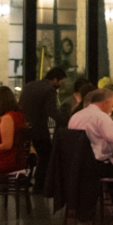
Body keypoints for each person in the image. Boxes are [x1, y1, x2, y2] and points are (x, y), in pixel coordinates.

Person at [19, 66, 68, 194]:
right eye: (61, 83)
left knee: (29, 155)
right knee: (47, 155)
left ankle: (24, 180)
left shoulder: (29, 85)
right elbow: (52, 111)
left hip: (24, 127)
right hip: (38, 129)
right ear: (56, 79)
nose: (60, 86)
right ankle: (39, 186)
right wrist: (67, 122)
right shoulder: (49, 90)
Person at [68, 87, 113, 166]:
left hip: (75, 165)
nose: (112, 110)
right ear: (105, 103)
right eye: (112, 106)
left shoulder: (75, 116)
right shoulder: (100, 116)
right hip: (96, 166)